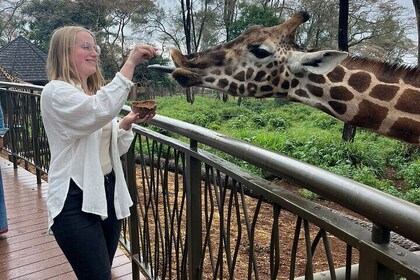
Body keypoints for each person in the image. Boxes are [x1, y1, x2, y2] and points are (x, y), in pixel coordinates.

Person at [40, 26, 158, 280]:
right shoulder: (55, 92)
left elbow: (109, 146)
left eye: (95, 48)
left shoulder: (91, 93)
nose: (94, 53)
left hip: (107, 191)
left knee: (102, 271)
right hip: (74, 199)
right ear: (63, 52)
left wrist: (126, 123)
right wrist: (131, 62)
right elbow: (97, 110)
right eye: (86, 47)